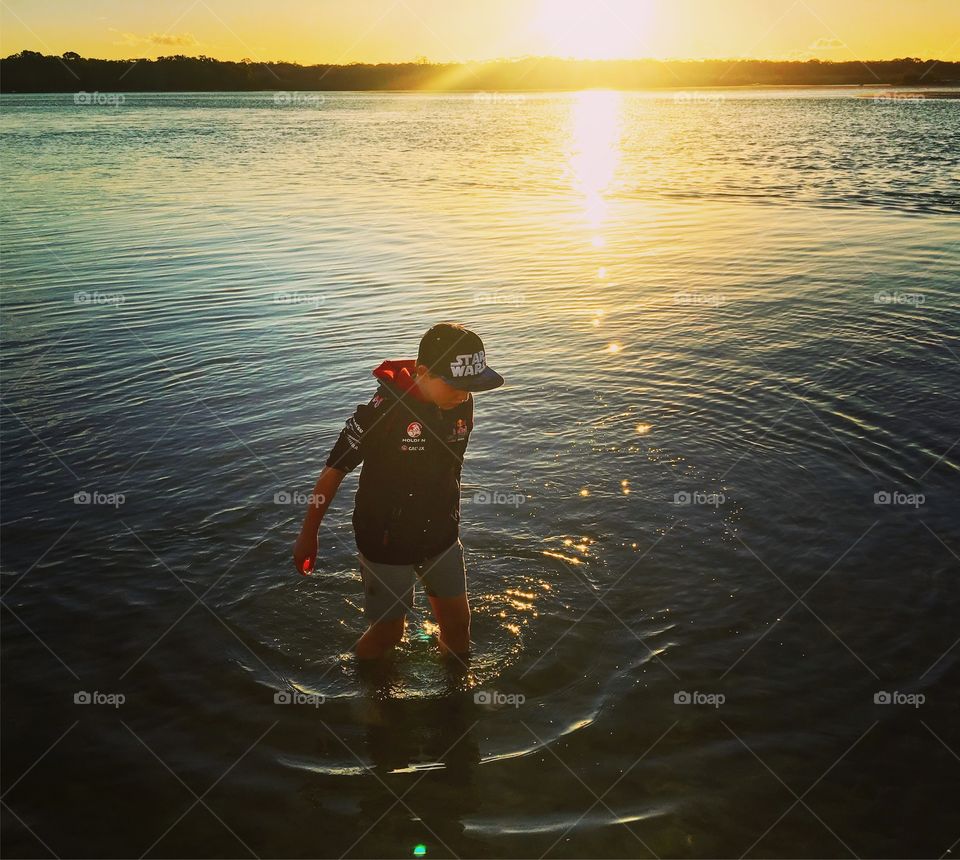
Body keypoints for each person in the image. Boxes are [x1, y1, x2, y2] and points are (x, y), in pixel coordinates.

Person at [293, 322, 504, 661]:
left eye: (471, 387)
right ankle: (373, 702)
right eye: (456, 385)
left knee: (459, 623)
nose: (465, 395)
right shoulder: (382, 413)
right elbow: (334, 470)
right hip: (385, 539)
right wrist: (308, 534)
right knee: (389, 634)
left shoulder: (461, 401)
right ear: (422, 372)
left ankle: (456, 700)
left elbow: (449, 467)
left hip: (440, 533)